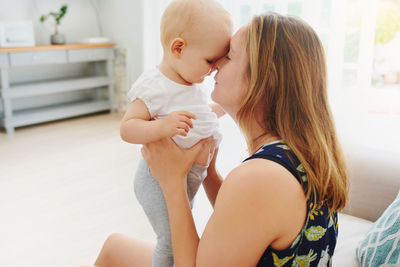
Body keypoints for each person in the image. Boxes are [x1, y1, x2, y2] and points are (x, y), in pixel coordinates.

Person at [92, 11, 348, 267]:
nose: (215, 65)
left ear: (264, 80)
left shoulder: (261, 178)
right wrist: (210, 174)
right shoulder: (298, 153)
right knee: (114, 248)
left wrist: (173, 182)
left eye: (229, 55)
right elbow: (249, 220)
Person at [119, 0, 232, 266]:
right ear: (178, 48)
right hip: (156, 181)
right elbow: (127, 128)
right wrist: (161, 126)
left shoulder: (190, 82)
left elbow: (198, 115)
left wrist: (222, 108)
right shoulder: (153, 85)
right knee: (170, 243)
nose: (215, 68)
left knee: (181, 234)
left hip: (187, 178)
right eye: (210, 60)